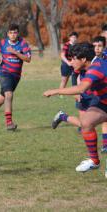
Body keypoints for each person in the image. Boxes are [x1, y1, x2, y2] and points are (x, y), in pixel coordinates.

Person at [44, 42, 107, 172]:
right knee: (86, 123)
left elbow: (81, 88)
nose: (71, 62)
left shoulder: (96, 68)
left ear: (83, 59)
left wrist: (56, 91)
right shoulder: (90, 67)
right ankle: (94, 161)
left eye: (73, 59)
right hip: (103, 101)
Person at [0, 24, 31, 131]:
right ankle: (9, 123)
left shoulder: (23, 44)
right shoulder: (2, 43)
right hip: (4, 73)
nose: (13, 35)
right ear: (8, 33)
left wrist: (15, 52)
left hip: (16, 76)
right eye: (11, 33)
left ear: (18, 33)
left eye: (15, 32)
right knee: (9, 94)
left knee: (1, 99)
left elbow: (28, 59)